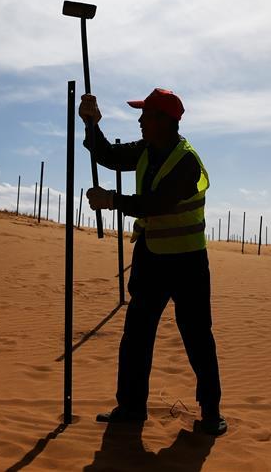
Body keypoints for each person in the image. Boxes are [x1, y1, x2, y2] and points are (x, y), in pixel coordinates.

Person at [80, 87, 226, 436]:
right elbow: (107, 154)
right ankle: (130, 408)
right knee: (137, 335)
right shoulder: (148, 148)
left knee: (196, 336)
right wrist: (91, 123)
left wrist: (111, 200)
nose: (140, 120)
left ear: (165, 121)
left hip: (188, 263)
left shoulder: (186, 161)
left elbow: (157, 203)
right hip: (151, 258)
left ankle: (210, 413)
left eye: (145, 114)